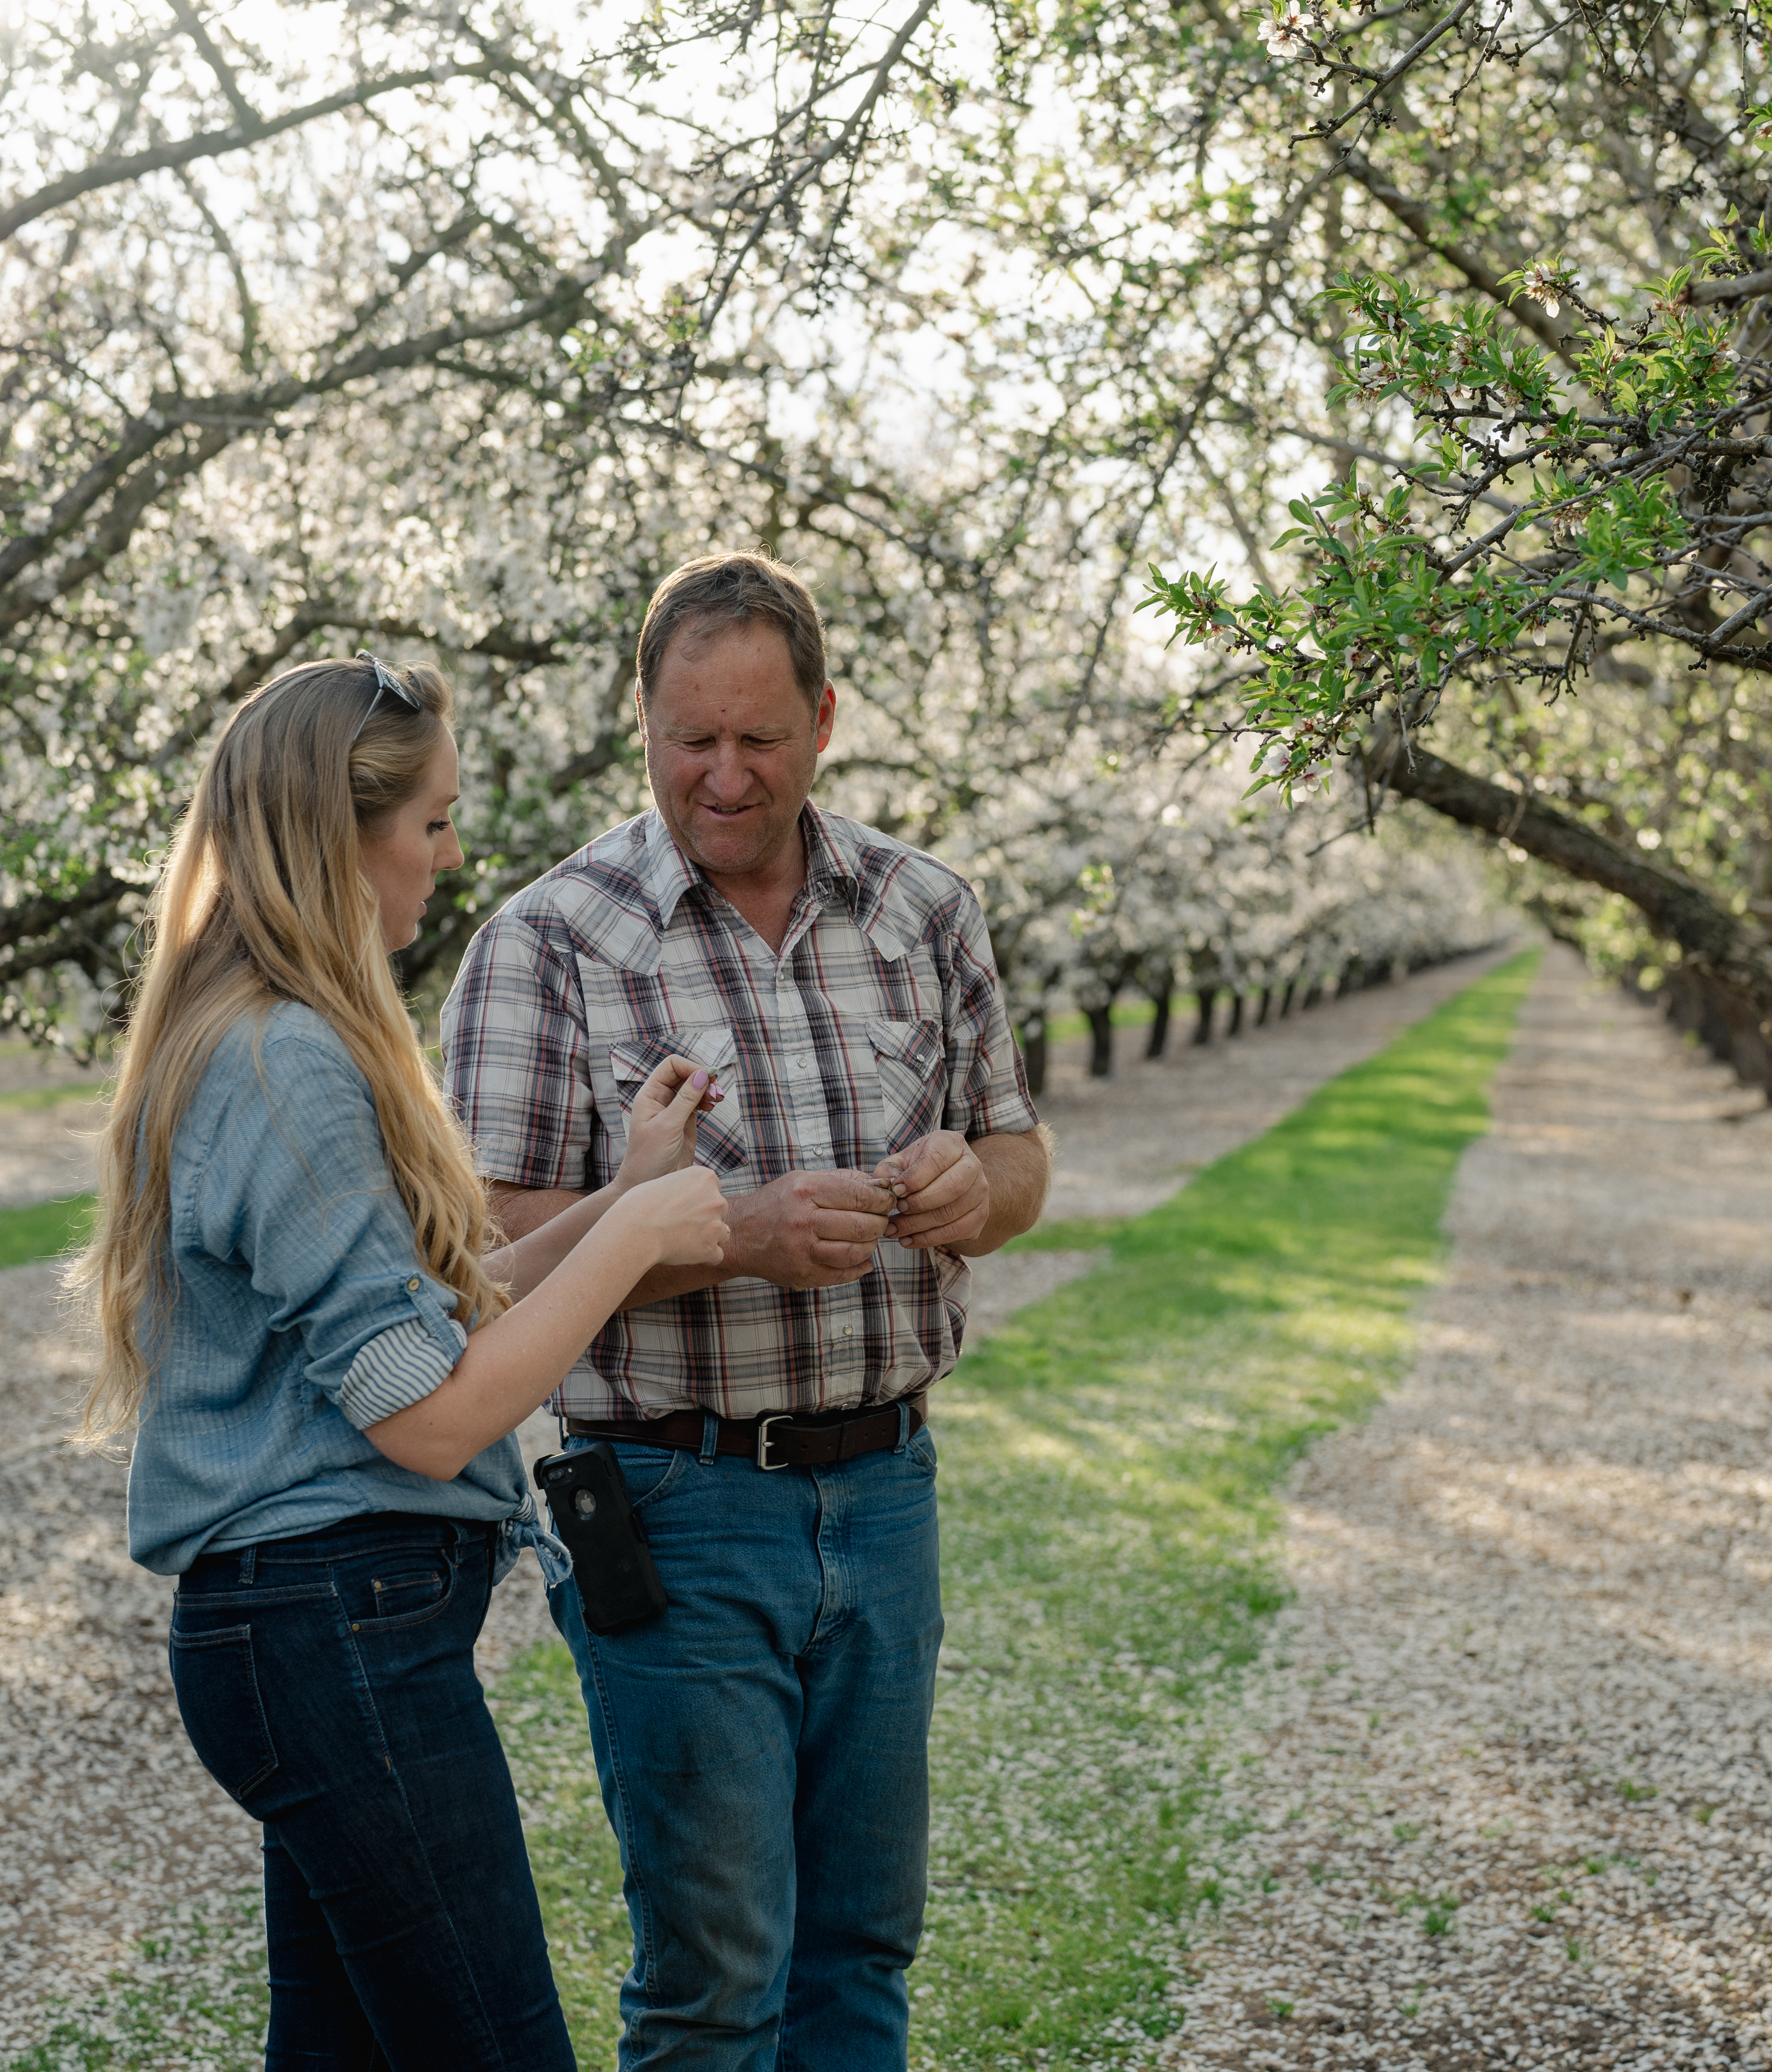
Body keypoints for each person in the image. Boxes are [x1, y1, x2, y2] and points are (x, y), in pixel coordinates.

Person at [74, 654, 732, 2071]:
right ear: (339, 833)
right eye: (430, 821)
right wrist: (637, 1248)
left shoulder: (264, 1038)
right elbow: (429, 1419)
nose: (450, 853)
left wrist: (626, 1198)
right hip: (329, 1633)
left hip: (316, 1629)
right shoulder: (283, 1061)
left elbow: (422, 1327)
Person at [442, 552, 1052, 2069]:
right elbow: (488, 1248)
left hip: (886, 1487)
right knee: (718, 1976)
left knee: (863, 1947)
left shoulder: (923, 911)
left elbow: (1021, 1150)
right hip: (671, 1492)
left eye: (759, 739)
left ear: (826, 719)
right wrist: (732, 1236)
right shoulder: (551, 941)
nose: (723, 774)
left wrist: (981, 1187)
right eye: (688, 739)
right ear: (639, 726)